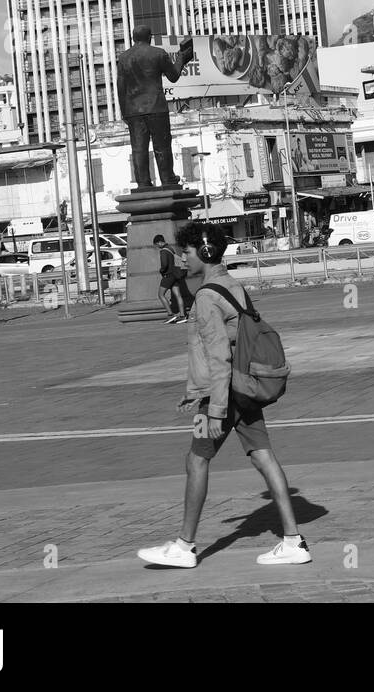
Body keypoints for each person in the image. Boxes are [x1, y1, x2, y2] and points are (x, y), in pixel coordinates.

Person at [137, 223, 310, 568]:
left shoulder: (206, 296)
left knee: (197, 460)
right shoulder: (232, 285)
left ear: (204, 252)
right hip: (243, 388)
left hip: (225, 392)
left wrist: (215, 409)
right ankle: (293, 540)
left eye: (186, 252)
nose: (182, 260)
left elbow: (219, 356)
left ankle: (185, 546)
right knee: (263, 456)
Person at [116, 27, 195, 189]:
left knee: (139, 148)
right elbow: (173, 76)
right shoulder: (158, 54)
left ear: (133, 38)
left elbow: (120, 87)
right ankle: (167, 179)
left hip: (134, 111)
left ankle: (143, 183)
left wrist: (124, 112)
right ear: (150, 37)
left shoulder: (123, 58)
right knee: (162, 145)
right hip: (156, 107)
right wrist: (182, 57)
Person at [154, 234, 192, 324]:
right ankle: (183, 316)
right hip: (175, 275)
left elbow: (164, 264)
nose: (157, 247)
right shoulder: (170, 248)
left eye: (156, 244)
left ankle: (170, 315)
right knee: (178, 295)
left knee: (161, 295)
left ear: (159, 242)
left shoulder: (163, 251)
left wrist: (161, 270)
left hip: (168, 276)